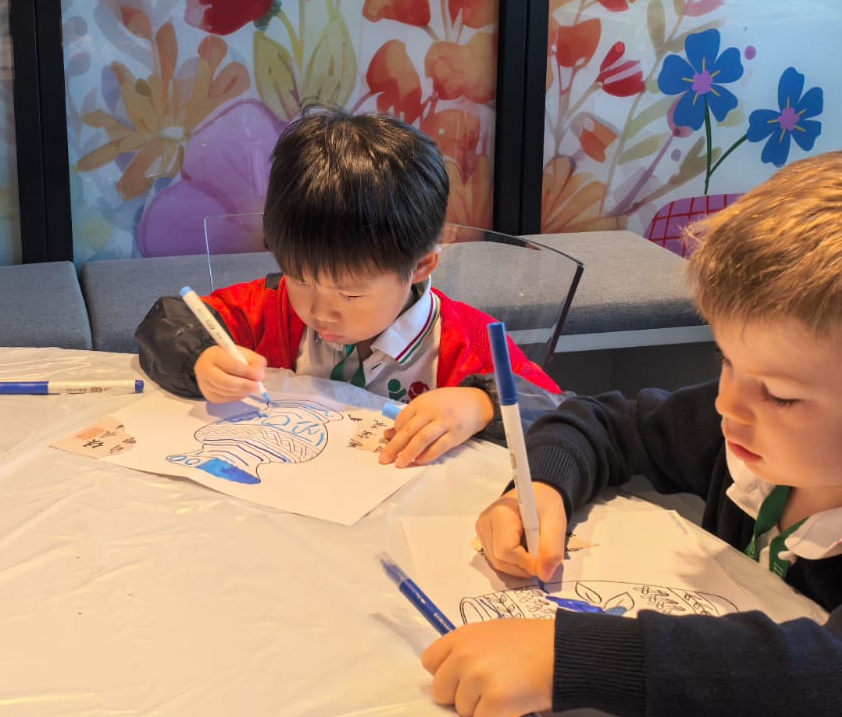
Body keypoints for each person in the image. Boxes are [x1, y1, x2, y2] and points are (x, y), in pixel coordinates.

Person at [425, 149, 842, 717]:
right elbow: (604, 422)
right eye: (727, 360)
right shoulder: (760, 428)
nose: (727, 403)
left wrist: (579, 660)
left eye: (779, 393)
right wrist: (541, 488)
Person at [137, 106, 562, 468]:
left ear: (421, 265)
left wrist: (482, 404)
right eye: (300, 278)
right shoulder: (272, 305)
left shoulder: (465, 340)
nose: (320, 311)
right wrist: (200, 358)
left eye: (351, 294)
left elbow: (560, 413)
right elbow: (171, 322)